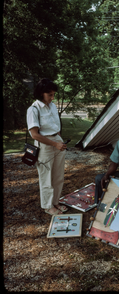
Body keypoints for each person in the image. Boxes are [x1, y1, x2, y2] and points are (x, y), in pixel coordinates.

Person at [27, 78, 68, 215]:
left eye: (53, 94)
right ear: (41, 93)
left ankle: (55, 202)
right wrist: (55, 143)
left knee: (58, 176)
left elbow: (56, 126)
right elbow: (34, 135)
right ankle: (47, 206)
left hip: (57, 141)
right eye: (49, 94)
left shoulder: (53, 106)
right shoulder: (33, 109)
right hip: (44, 145)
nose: (52, 97)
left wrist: (59, 140)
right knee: (46, 177)